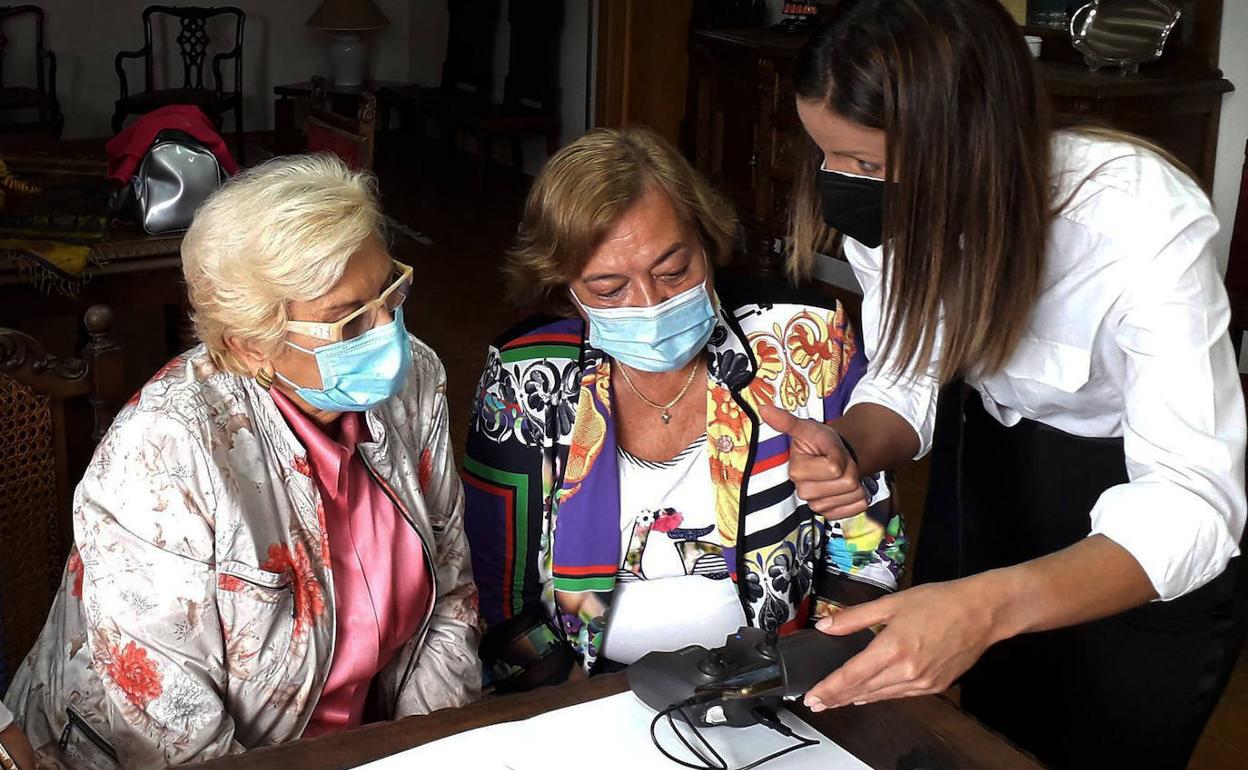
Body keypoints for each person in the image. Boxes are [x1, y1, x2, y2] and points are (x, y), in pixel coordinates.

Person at [782, 2, 1247, 768]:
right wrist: (851, 447)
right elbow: (905, 369)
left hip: (1132, 497)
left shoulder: (1134, 220)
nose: (844, 185)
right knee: (993, 728)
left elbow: (1193, 500)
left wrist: (988, 605)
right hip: (993, 466)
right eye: (828, 157)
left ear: (969, 144)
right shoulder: (895, 212)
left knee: (1109, 732)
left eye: (866, 164)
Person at [3, 155, 479, 769]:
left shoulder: (416, 380)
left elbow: (450, 593)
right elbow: (172, 733)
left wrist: (422, 754)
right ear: (250, 345)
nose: (390, 330)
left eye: (391, 292)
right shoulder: (163, 455)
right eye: (348, 320)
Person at [463, 127, 905, 693]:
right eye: (607, 289)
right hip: (586, 689)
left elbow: (869, 548)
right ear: (564, 287)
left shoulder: (804, 340)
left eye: (674, 271)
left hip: (779, 679)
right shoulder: (527, 377)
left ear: (705, 238)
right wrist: (571, 698)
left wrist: (804, 676)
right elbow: (498, 590)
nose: (650, 303)